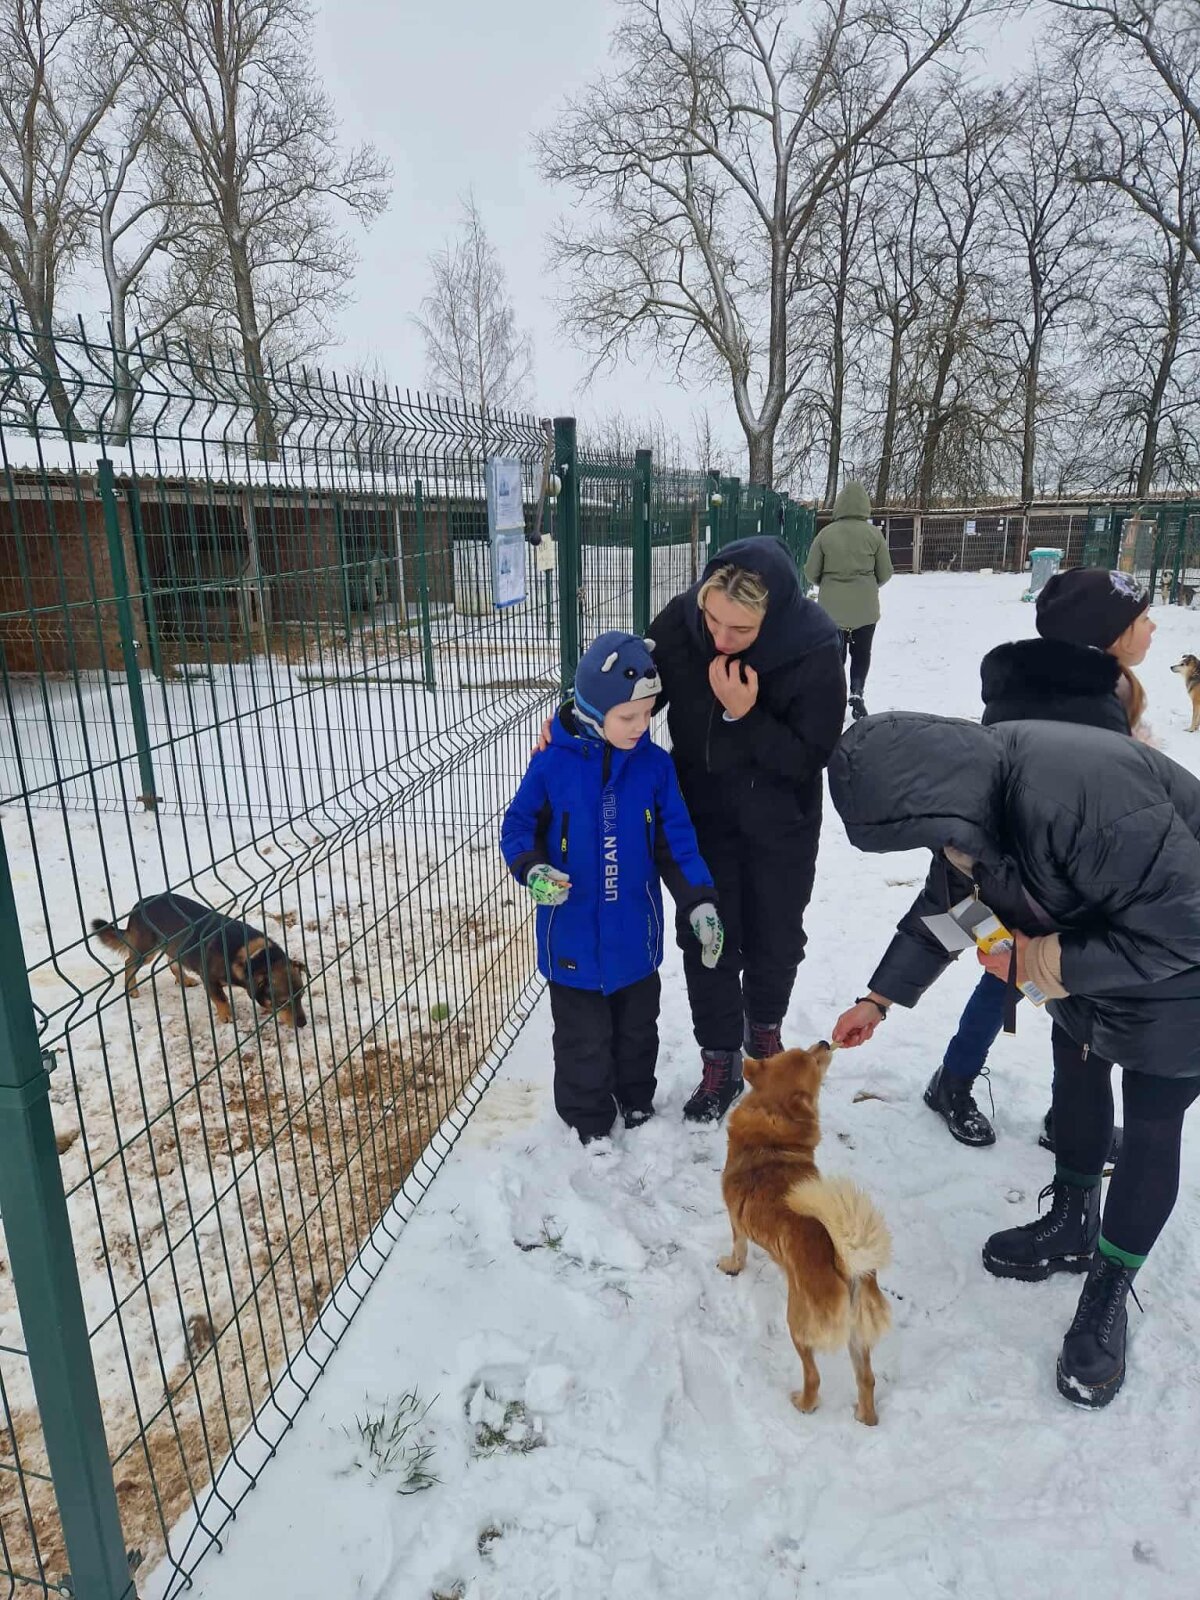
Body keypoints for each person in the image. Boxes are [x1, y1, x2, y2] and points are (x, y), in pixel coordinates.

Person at [828, 705, 1200, 1407]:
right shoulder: (969, 809)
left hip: (1180, 981)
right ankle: (1072, 1223)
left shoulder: (1082, 798)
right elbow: (952, 908)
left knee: (1153, 1123)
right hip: (1086, 967)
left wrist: (1039, 961)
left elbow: (1189, 925)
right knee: (1078, 1077)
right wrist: (879, 999)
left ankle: (1109, 1287)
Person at [924, 568, 1155, 1148]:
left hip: (1071, 883)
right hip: (1009, 882)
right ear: (1106, 633)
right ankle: (953, 1081)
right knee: (1011, 977)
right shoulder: (1067, 699)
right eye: (1141, 618)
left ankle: (1070, 1112)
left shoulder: (1111, 691)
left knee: (1064, 990)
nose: (1153, 627)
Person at [648, 536, 845, 1122]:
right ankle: (719, 1060)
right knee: (707, 937)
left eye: (740, 630)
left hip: (781, 820)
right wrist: (575, 721)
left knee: (775, 937)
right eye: (713, 619)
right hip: (702, 815)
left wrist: (746, 714)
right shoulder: (682, 622)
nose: (721, 638)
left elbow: (811, 755)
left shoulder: (813, 645)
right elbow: (631, 687)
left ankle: (763, 1031)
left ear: (773, 615)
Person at [501, 631, 723, 1145]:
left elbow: (678, 843)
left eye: (647, 714)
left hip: (634, 935)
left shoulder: (654, 767)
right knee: (582, 1040)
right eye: (628, 716)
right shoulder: (552, 765)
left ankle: (636, 1099)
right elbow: (518, 828)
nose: (641, 726)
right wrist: (532, 869)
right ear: (594, 711)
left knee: (638, 1029)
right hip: (571, 936)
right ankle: (588, 1121)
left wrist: (700, 900)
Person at [804, 482, 893, 721]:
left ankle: (835, 695)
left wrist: (828, 583)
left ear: (840, 504)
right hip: (865, 609)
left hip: (831, 610)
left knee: (835, 656)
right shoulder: (874, 535)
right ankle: (857, 690)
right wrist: (867, 584)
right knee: (862, 652)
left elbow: (811, 572)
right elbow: (886, 572)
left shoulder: (826, 534)